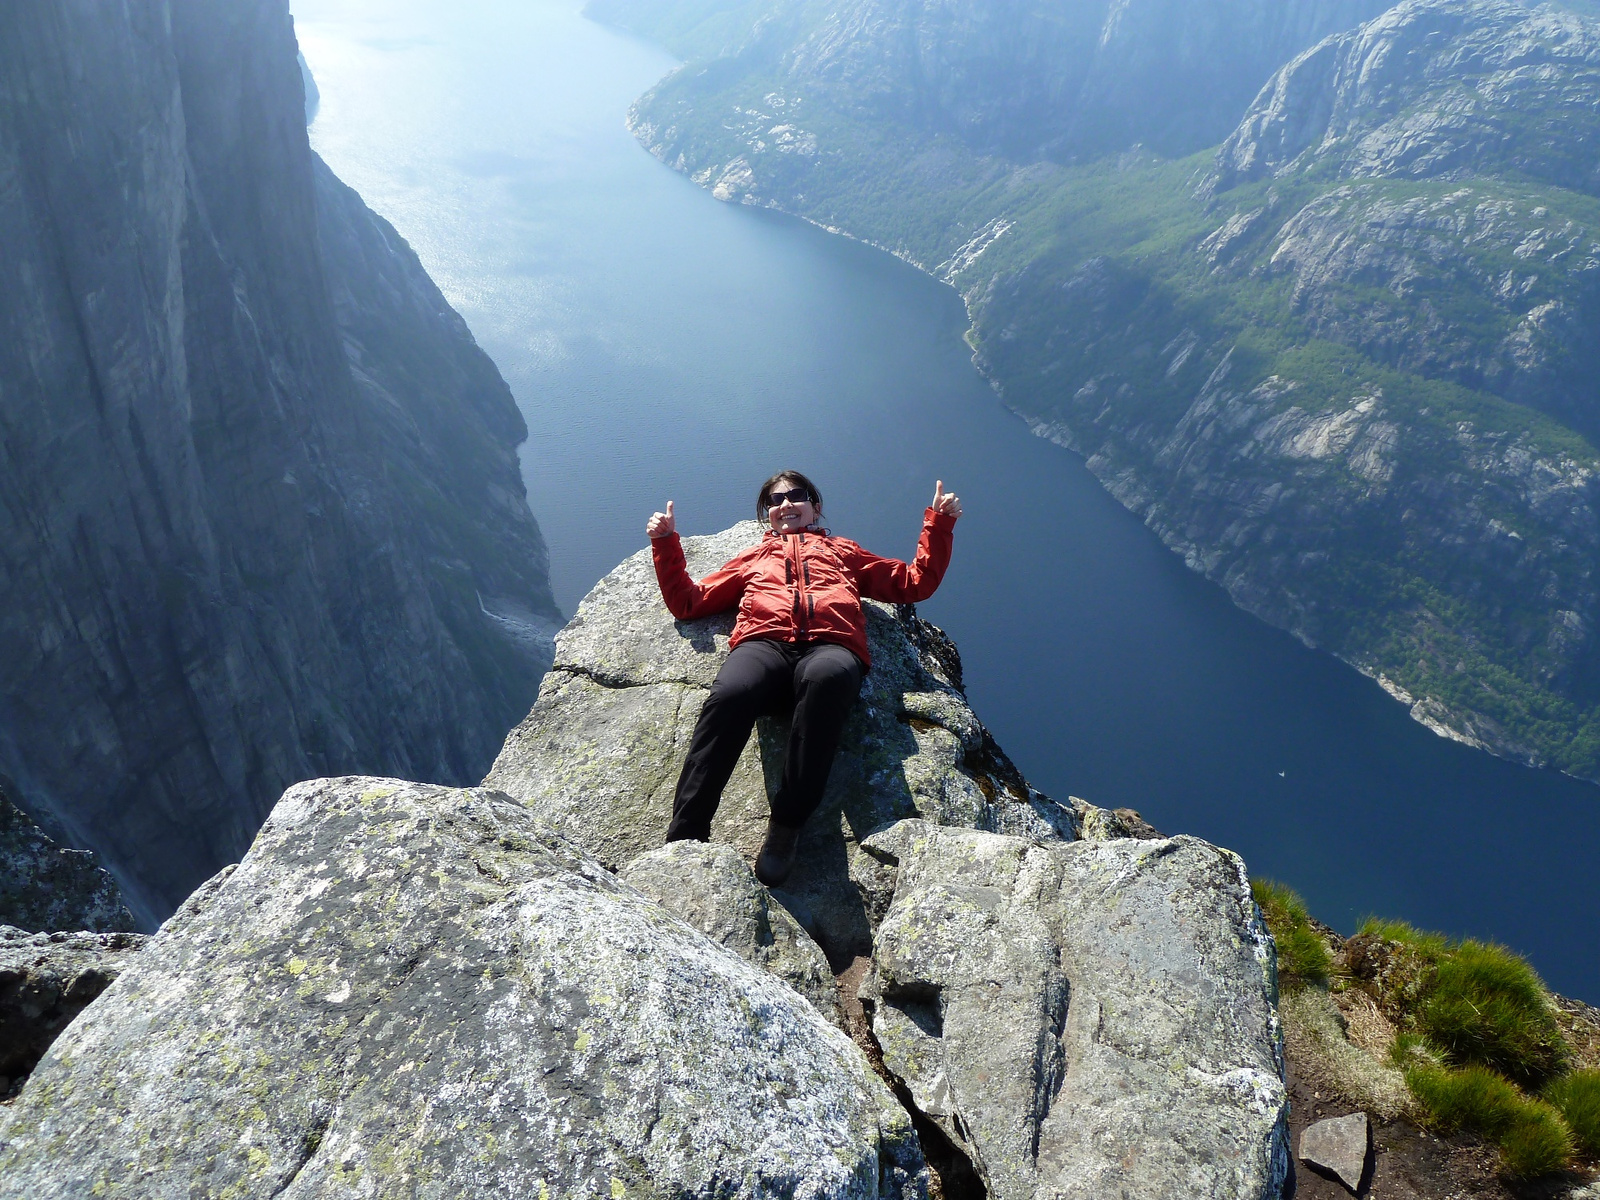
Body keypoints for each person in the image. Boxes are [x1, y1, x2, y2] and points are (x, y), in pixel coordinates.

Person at [646, 471, 962, 886]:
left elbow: (913, 582)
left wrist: (938, 524)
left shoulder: (843, 551)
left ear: (815, 507)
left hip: (830, 647)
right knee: (729, 694)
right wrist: (666, 543)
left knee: (826, 679)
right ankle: (687, 833)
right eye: (774, 501)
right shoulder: (753, 558)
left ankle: (785, 829)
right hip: (765, 645)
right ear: (769, 518)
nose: (785, 504)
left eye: (797, 495)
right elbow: (689, 602)